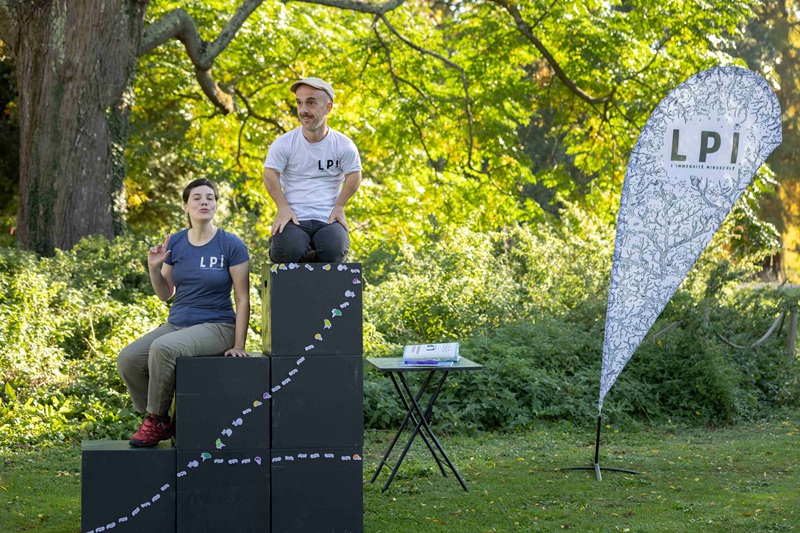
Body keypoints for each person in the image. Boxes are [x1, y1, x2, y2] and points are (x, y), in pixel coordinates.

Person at [117, 178, 250, 447]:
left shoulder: (231, 244)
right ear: (186, 207)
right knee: (128, 359)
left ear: (216, 205)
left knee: (163, 349)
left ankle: (154, 420)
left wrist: (239, 344)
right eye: (197, 198)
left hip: (218, 326)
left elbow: (242, 298)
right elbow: (166, 294)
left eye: (210, 197)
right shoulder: (176, 242)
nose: (204, 202)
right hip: (178, 324)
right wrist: (154, 267)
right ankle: (162, 418)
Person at [263, 77, 362, 263]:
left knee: (335, 250)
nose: (303, 110)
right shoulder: (284, 143)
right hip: (294, 218)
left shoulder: (343, 145)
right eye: (299, 103)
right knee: (287, 251)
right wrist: (282, 207)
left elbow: (354, 175)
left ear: (328, 107)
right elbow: (270, 173)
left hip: (328, 218)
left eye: (311, 103)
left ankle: (311, 260)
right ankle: (293, 249)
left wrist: (340, 205)